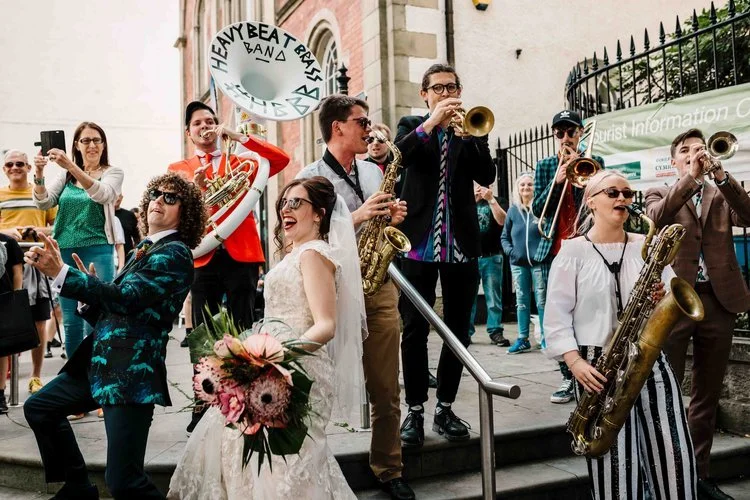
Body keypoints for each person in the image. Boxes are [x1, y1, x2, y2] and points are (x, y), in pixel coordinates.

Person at [169, 177, 366, 499]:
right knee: (242, 448)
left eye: (296, 203)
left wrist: (275, 359)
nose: (285, 209)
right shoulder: (295, 253)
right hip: (267, 362)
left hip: (295, 369)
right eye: (283, 203)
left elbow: (326, 324)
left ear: (318, 213)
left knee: (282, 461)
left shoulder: (314, 254)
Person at [23, 172, 206, 500]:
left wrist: (62, 273)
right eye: (156, 195)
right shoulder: (146, 248)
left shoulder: (175, 253)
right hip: (98, 365)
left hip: (130, 374)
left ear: (186, 212)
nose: (158, 202)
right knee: (39, 407)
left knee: (125, 482)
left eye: (170, 198)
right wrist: (86, 293)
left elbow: (127, 298)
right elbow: (116, 310)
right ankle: (78, 486)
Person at [544, 170, 697, 499]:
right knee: (615, 469)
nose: (622, 199)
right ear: (591, 201)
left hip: (649, 360)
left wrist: (661, 297)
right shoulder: (571, 252)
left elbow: (673, 298)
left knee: (674, 456)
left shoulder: (648, 246)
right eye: (612, 192)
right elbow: (555, 318)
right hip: (596, 367)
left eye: (627, 193)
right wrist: (575, 364)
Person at [296, 95, 414, 500]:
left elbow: (378, 223)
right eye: (361, 121)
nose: (369, 128)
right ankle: (307, 469)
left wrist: (390, 217)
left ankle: (389, 467)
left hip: (376, 286)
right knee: (317, 386)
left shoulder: (371, 170)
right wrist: (359, 215)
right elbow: (298, 238)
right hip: (327, 291)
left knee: (386, 387)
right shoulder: (309, 178)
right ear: (337, 128)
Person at [168, 101, 290, 433]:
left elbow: (281, 160)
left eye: (211, 121)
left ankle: (245, 398)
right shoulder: (178, 167)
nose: (205, 127)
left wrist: (238, 136)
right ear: (188, 132)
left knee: (242, 328)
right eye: (198, 123)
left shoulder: (241, 160)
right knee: (203, 334)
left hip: (241, 255)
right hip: (203, 256)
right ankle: (203, 402)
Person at [645, 128, 750, 500]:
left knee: (707, 394)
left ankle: (699, 475)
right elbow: (657, 216)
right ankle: (664, 474)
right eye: (685, 151)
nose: (694, 154)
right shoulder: (660, 191)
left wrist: (720, 176)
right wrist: (691, 178)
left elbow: (748, 216)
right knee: (667, 392)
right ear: (674, 161)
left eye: (699, 149)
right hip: (677, 302)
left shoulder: (721, 191)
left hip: (720, 301)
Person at [395, 63, 495, 448]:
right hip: (417, 245)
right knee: (415, 330)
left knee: (458, 331)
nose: (445, 93)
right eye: (437, 88)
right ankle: (416, 410)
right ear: (425, 94)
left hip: (461, 246)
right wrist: (431, 124)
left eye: (451, 87)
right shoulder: (410, 125)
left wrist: (472, 138)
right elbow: (397, 158)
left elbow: (486, 176)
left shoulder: (468, 129)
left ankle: (446, 407)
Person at [33, 122, 123, 364]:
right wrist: (39, 174)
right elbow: (44, 203)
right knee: (71, 320)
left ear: (104, 145)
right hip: (65, 250)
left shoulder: (113, 173)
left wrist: (71, 165)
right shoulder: (65, 175)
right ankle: (75, 380)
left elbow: (103, 194)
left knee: (96, 316)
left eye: (97, 140)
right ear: (77, 145)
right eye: (86, 140)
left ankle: (99, 374)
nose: (92, 145)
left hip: (98, 248)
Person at [532, 109, 605, 405]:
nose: (565, 138)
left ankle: (589, 372)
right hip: (555, 250)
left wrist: (583, 175)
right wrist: (557, 181)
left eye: (570, 132)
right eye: (559, 133)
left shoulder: (593, 163)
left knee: (588, 313)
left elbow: (602, 200)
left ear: (580, 133)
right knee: (558, 315)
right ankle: (567, 376)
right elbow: (539, 208)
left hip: (586, 249)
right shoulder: (547, 166)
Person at [1, 150, 57, 393]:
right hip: (3, 265)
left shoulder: (39, 194)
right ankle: (2, 386)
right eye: (10, 164)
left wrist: (36, 228)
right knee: (4, 324)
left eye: (20, 164)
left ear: (28, 168)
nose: (15, 167)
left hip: (35, 263)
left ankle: (35, 376)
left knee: (39, 321)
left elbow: (55, 227)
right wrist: (9, 232)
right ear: (4, 169)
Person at [501, 172, 549, 354]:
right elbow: (504, 236)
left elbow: (548, 234)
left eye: (529, 185)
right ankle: (522, 339)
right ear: (518, 189)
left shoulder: (541, 209)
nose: (526, 188)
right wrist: (511, 252)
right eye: (522, 185)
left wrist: (541, 253)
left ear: (534, 188)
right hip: (518, 263)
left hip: (538, 263)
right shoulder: (513, 211)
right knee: (521, 301)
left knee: (542, 300)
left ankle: (545, 339)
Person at [469, 183, 507, 345]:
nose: (481, 187)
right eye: (477, 183)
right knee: (467, 298)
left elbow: (503, 221)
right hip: (470, 257)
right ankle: (465, 332)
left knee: (493, 298)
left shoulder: (500, 200)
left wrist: (491, 200)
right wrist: (473, 201)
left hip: (492, 256)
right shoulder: (467, 201)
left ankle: (495, 331)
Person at [0, 232, 23, 414]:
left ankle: (0, 393)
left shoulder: (8, 242)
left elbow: (17, 273)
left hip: (4, 300)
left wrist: (16, 301)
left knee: (2, 349)